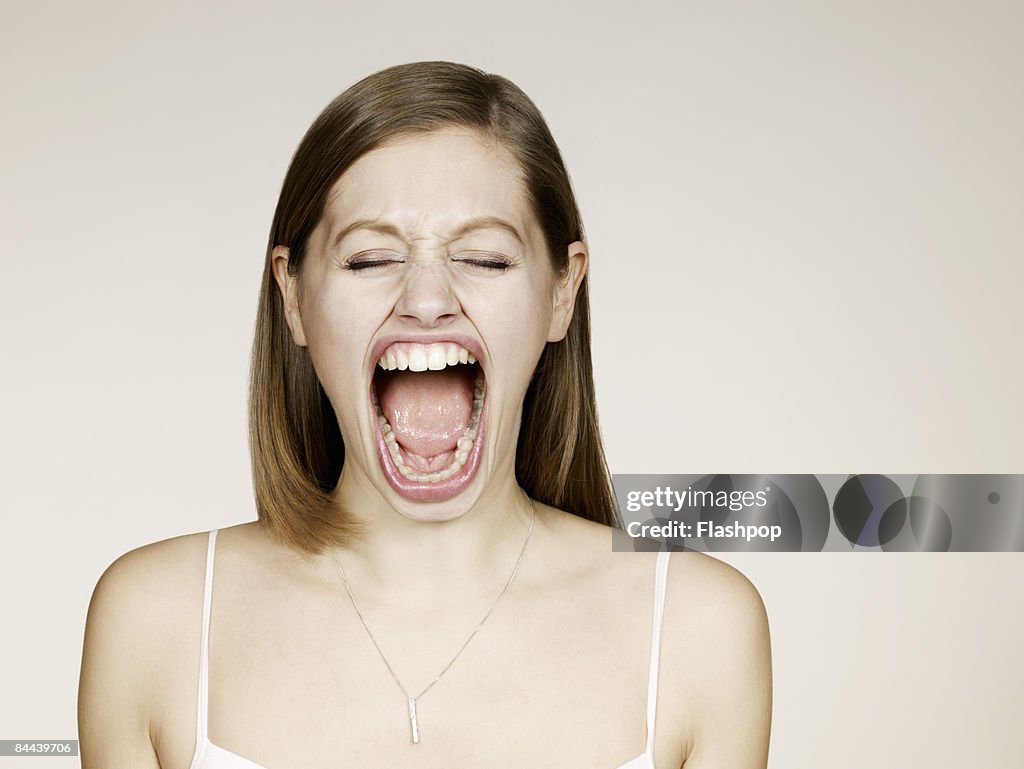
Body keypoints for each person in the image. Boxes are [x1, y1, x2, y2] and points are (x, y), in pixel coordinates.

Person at [78, 61, 772, 768]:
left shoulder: (696, 628)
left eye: (486, 258)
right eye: (371, 258)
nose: (428, 298)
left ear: (562, 293)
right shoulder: (153, 620)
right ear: (292, 297)